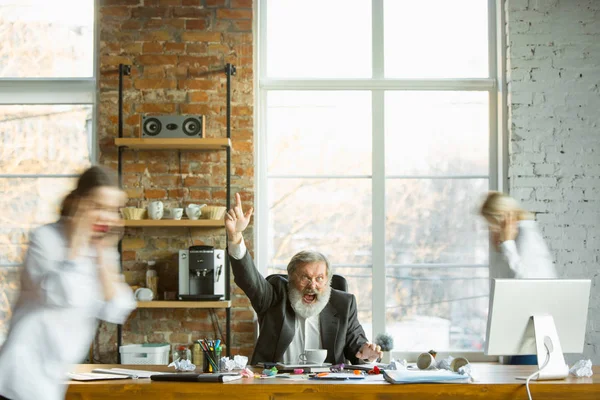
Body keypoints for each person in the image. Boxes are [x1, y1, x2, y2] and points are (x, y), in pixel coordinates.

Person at [0, 166, 136, 400]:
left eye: (113, 210)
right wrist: (76, 241)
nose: (107, 217)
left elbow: (117, 308)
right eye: (98, 206)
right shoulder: (46, 239)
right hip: (17, 379)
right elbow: (60, 294)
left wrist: (103, 254)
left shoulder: (101, 249)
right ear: (77, 204)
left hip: (50, 383)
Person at [225, 193, 382, 366]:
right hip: (275, 384)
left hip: (327, 386)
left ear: (328, 280)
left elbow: (358, 349)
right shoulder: (273, 296)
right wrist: (236, 237)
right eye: (305, 278)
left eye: (319, 278)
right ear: (291, 278)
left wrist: (368, 354)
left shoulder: (344, 304)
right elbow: (249, 279)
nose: (312, 285)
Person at [480, 191, 557, 366]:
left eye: (491, 223)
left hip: (532, 335)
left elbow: (526, 284)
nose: (491, 229)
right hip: (522, 334)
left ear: (502, 217)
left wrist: (507, 244)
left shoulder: (525, 234)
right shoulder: (514, 236)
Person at [480, 191, 557, 280]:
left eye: (492, 224)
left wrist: (507, 242)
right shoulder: (506, 240)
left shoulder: (525, 232)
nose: (491, 230)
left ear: (503, 219)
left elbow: (525, 280)